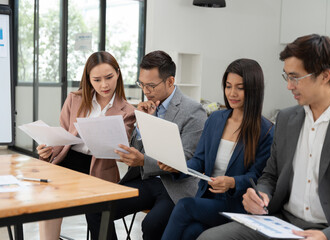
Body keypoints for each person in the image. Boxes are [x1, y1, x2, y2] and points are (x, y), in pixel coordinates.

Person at [198, 34, 330, 240]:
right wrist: (261, 194)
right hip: (281, 221)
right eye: (287, 77)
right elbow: (270, 176)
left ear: (325, 75)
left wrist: (329, 235)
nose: (289, 86)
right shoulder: (286, 119)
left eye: (295, 77)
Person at [86, 50, 208, 240]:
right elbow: (136, 149)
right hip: (146, 181)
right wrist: (141, 125)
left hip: (176, 186)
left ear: (170, 81)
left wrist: (143, 160)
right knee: (96, 207)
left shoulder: (194, 111)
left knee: (152, 224)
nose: (145, 91)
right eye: (141, 84)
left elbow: (186, 160)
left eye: (151, 85)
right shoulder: (148, 106)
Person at [159, 58, 274, 240]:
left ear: (253, 89)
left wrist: (232, 182)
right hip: (208, 200)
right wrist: (178, 167)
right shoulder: (215, 119)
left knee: (184, 206)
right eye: (228, 86)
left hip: (237, 205)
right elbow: (199, 161)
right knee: (192, 232)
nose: (232, 93)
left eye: (240, 87)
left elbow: (258, 177)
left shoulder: (266, 130)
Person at [36, 51, 136, 240]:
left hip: (99, 167)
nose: (104, 85)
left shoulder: (127, 110)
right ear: (88, 79)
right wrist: (47, 151)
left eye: (109, 77)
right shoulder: (75, 99)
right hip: (69, 161)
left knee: (98, 213)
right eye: (96, 80)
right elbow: (63, 135)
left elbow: (121, 146)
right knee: (47, 198)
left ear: (118, 74)